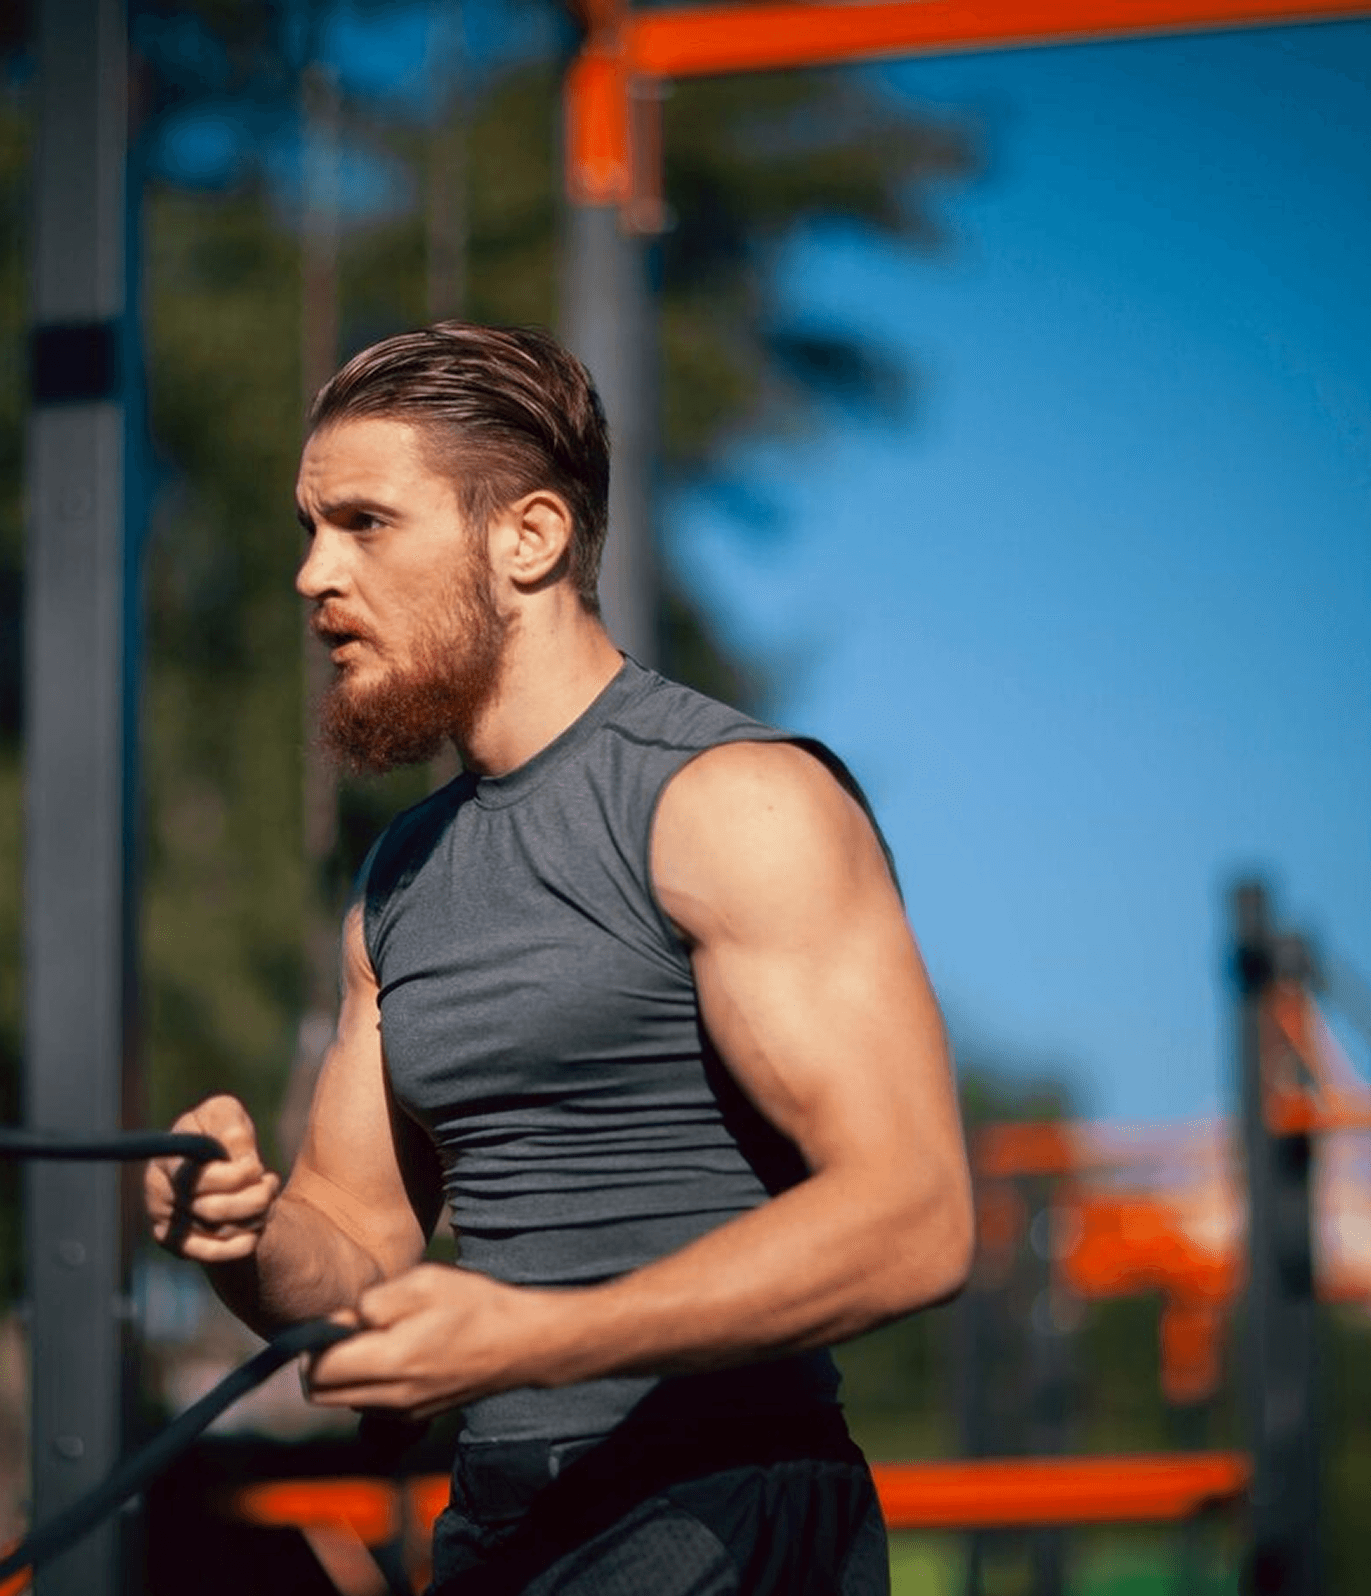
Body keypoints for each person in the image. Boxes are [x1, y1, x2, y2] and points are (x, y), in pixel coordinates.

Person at [145, 322, 973, 1593]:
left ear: (525, 538)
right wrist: (247, 1235)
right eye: (309, 530)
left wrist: (537, 1338)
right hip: (501, 1526)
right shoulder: (402, 880)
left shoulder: (731, 803)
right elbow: (359, 1251)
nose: (313, 575)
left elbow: (916, 1220)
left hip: (724, 1513)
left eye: (364, 523)